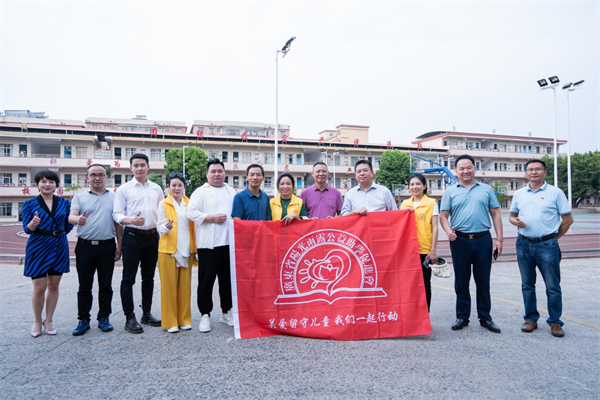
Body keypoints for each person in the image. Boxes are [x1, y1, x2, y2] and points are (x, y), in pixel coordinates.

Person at [440, 154, 504, 333]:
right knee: (461, 281)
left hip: (483, 239)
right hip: (459, 241)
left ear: (474, 169)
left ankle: (485, 317)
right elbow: (443, 216)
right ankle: (462, 316)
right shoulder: (450, 192)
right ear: (456, 171)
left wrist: (499, 239)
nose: (465, 171)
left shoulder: (486, 189)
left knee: (483, 281)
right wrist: (448, 231)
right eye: (461, 168)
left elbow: (496, 214)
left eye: (469, 167)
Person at [509, 159, 573, 338]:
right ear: (525, 173)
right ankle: (530, 319)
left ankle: (555, 322)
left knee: (552, 286)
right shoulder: (519, 193)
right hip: (523, 244)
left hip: (547, 245)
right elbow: (512, 215)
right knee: (527, 284)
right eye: (530, 169)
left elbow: (568, 220)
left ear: (545, 172)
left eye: (538, 169)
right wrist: (515, 220)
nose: (534, 172)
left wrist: (553, 238)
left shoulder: (555, 193)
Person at [113, 153, 164, 334]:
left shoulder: (157, 188)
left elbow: (161, 212)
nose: (140, 168)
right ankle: (129, 317)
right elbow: (117, 214)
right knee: (128, 278)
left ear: (148, 167)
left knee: (148, 278)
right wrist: (129, 220)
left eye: (143, 165)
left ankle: (147, 314)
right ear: (131, 168)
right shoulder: (124, 189)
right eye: (136, 165)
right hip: (132, 236)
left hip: (152, 237)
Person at [69, 164, 123, 336]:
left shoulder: (114, 197)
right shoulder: (79, 197)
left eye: (101, 175)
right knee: (84, 285)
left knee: (105, 285)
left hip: (107, 245)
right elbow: (71, 216)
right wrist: (77, 220)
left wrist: (119, 245)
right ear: (87, 177)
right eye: (93, 175)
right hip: (85, 246)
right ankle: (83, 319)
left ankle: (104, 318)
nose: (97, 178)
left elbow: (118, 223)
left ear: (107, 177)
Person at [22, 170, 74, 337]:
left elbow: (68, 226)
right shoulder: (29, 204)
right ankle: (37, 321)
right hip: (37, 246)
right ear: (37, 184)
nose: (47, 184)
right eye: (43, 181)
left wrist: (57, 235)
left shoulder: (64, 203)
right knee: (39, 287)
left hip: (59, 245)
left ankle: (49, 320)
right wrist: (33, 224)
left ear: (56, 185)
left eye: (51, 182)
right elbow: (27, 229)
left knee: (53, 286)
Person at [187, 159, 237, 333]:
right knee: (206, 281)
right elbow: (191, 213)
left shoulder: (232, 191)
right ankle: (205, 315)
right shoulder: (200, 192)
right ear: (207, 174)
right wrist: (211, 218)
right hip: (208, 245)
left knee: (227, 282)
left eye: (220, 171)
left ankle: (226, 312)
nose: (217, 174)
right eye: (213, 171)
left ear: (224, 172)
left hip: (228, 244)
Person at [157, 173, 197, 333]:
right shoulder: (163, 204)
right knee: (168, 288)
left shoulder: (190, 203)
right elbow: (159, 226)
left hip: (186, 249)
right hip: (168, 250)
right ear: (168, 187)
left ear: (184, 187)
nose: (176, 188)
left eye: (179, 185)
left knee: (185, 288)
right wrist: (165, 227)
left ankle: (184, 319)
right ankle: (170, 322)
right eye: (173, 185)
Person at [400, 173, 439, 312]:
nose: (414, 187)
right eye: (411, 184)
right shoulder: (405, 204)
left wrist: (433, 249)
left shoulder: (431, 203)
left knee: (424, 284)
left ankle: (424, 315)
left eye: (418, 184)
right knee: (408, 284)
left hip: (424, 251)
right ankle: (411, 316)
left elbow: (435, 227)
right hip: (408, 251)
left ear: (424, 186)